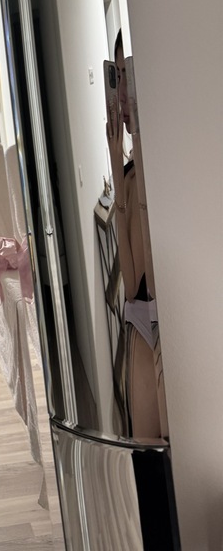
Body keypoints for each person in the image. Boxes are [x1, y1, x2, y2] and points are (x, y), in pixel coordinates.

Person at [106, 29, 168, 441]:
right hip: (139, 321)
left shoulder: (169, 166)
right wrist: (118, 166)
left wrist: (141, 147)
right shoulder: (128, 175)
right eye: (117, 77)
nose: (123, 94)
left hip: (171, 323)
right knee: (147, 455)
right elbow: (131, 286)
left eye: (129, 74)